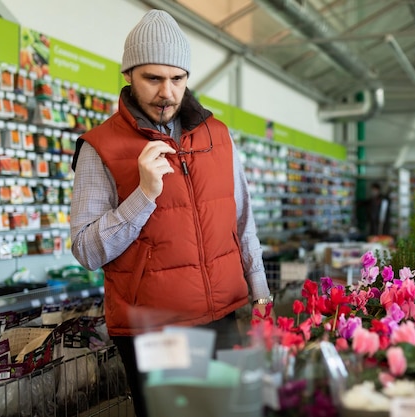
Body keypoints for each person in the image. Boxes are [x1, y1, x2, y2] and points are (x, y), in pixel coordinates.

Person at [69, 9, 272, 417]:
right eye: (153, 78)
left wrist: (260, 288)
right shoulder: (100, 147)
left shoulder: (217, 135)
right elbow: (87, 250)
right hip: (155, 325)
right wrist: (144, 195)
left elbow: (241, 220)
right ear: (128, 75)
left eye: (177, 78)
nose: (167, 92)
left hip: (222, 313)